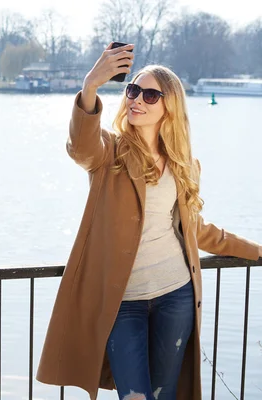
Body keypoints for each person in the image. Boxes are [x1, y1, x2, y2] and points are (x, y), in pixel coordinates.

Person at [35, 43, 262, 400]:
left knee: (164, 393)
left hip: (176, 294)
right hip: (122, 302)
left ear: (169, 107)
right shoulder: (109, 152)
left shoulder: (185, 165)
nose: (137, 99)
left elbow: (197, 231)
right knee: (135, 396)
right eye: (132, 90)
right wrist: (91, 86)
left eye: (150, 94)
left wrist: (257, 250)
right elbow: (80, 147)